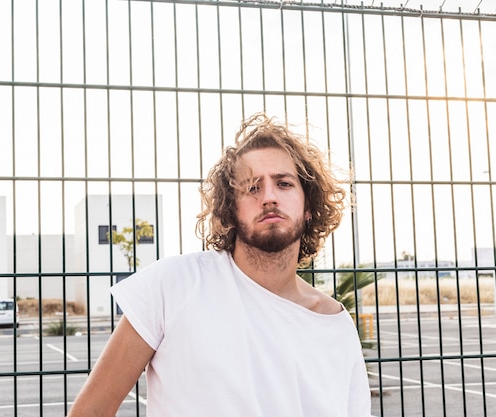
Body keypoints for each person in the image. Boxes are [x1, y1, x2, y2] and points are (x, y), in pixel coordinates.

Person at [67, 113, 372, 417]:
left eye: (284, 183)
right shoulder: (173, 285)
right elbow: (90, 412)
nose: (268, 197)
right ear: (230, 209)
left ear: (308, 206)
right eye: (252, 187)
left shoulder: (334, 325)